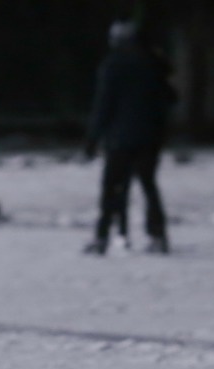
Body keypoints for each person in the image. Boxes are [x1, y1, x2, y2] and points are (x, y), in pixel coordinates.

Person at [83, 19, 177, 255]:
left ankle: (103, 236)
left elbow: (103, 105)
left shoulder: (113, 65)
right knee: (148, 185)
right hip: (150, 136)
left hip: (120, 138)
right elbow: (170, 98)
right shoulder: (154, 64)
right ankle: (158, 235)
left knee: (112, 187)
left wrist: (92, 138)